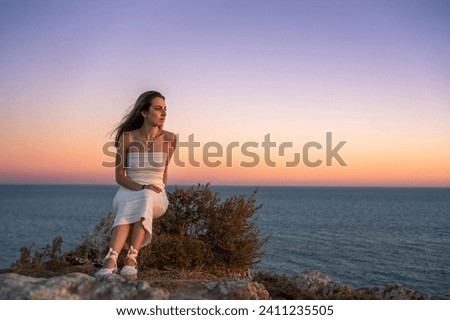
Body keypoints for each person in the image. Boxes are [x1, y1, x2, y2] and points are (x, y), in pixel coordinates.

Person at [95, 90, 177, 280]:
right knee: (141, 196)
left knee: (147, 197)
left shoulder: (170, 139)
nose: (164, 113)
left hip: (156, 193)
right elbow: (119, 176)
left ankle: (128, 258)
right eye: (158, 109)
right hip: (128, 189)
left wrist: (155, 189)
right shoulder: (127, 138)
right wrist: (140, 187)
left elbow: (164, 172)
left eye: (165, 109)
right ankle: (114, 260)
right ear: (144, 112)